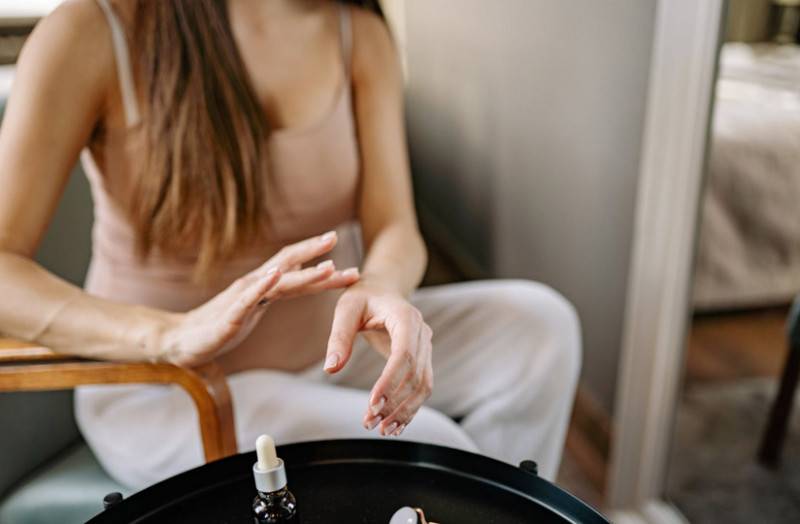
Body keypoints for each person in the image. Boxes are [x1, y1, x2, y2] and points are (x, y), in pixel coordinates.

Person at [0, 0, 581, 489]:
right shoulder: (90, 31)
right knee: (436, 452)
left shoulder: (358, 33)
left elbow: (394, 225)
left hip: (329, 352)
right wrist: (172, 333)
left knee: (541, 329)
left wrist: (383, 285)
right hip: (172, 386)